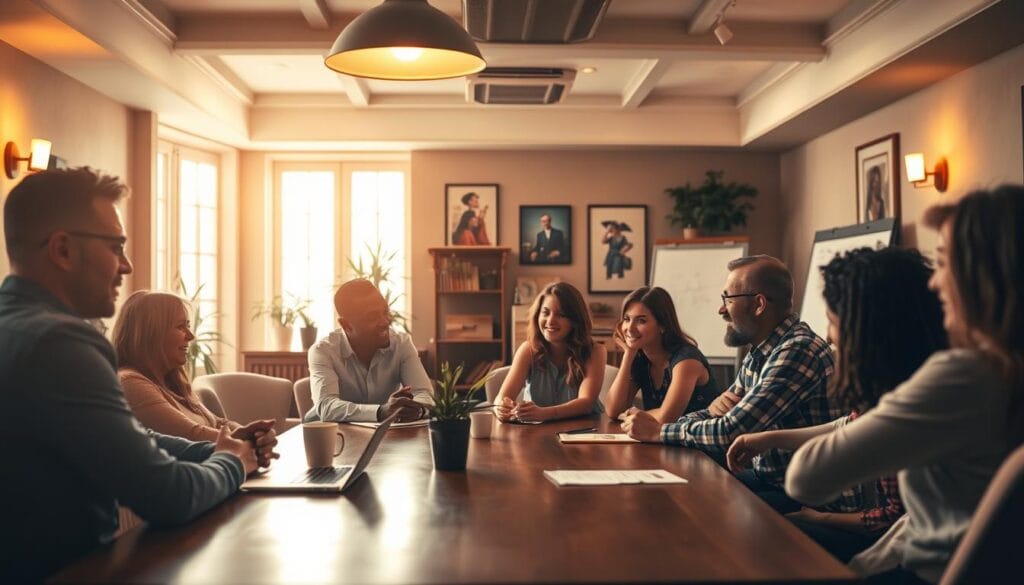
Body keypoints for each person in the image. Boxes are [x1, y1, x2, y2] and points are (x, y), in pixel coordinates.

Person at [0, 168, 261, 582]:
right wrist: (231, 462)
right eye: (116, 246)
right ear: (63, 249)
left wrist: (217, 447)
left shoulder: (19, 328)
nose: (127, 265)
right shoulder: (61, 343)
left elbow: (119, 436)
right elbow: (167, 495)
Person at [785, 186, 1024, 584]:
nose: (935, 284)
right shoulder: (1001, 374)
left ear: (983, 274)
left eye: (945, 262)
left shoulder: (965, 375)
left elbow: (805, 477)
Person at [727, 247, 947, 563]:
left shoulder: (912, 398)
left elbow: (805, 482)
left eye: (832, 322)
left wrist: (820, 519)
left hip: (911, 560)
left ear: (864, 329)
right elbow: (851, 424)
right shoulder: (910, 379)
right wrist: (772, 438)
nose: (829, 338)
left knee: (761, 536)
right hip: (900, 548)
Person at [622, 255, 859, 514]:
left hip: (813, 499)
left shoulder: (797, 350)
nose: (721, 309)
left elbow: (730, 430)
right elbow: (716, 414)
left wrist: (659, 431)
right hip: (771, 480)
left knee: (691, 508)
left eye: (728, 299)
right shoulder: (761, 351)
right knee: (679, 493)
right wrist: (668, 426)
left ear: (758, 304)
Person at [113, 290, 280, 453]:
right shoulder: (131, 384)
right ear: (151, 334)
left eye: (188, 326)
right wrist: (249, 441)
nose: (191, 336)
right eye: (180, 327)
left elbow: (219, 423)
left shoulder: (171, 381)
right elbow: (193, 436)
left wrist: (255, 436)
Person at [306, 278, 433, 423]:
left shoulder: (401, 344)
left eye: (385, 312)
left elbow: (423, 393)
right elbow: (326, 406)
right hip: (330, 435)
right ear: (346, 325)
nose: (385, 321)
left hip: (383, 433)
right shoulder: (323, 351)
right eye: (372, 317)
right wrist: (381, 412)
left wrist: (416, 409)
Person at [604, 286, 720, 423]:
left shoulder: (687, 360)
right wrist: (629, 354)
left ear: (662, 325)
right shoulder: (640, 359)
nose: (629, 328)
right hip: (661, 439)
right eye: (627, 319)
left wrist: (636, 414)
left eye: (641, 321)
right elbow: (613, 411)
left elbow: (667, 417)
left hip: (699, 440)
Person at [494, 282, 606, 423]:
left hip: (586, 432)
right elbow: (502, 397)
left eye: (561, 315)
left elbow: (586, 403)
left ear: (575, 319)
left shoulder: (595, 351)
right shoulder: (527, 350)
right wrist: (500, 407)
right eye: (545, 313)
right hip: (537, 434)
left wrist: (544, 414)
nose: (550, 321)